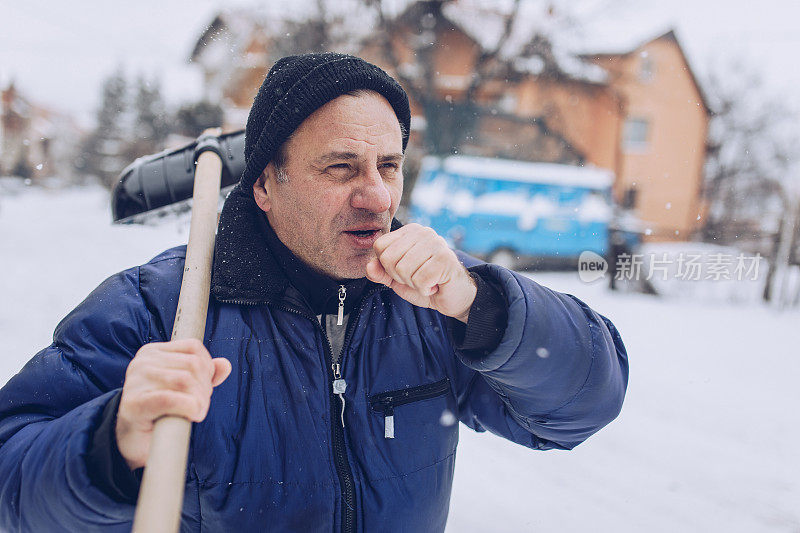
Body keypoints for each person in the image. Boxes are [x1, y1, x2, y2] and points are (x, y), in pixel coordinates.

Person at [0, 53, 629, 532]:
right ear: (265, 186)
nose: (379, 197)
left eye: (389, 166)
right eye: (340, 168)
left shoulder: (434, 297)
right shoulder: (155, 308)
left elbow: (586, 403)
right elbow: (10, 478)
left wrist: (483, 305)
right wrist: (109, 442)